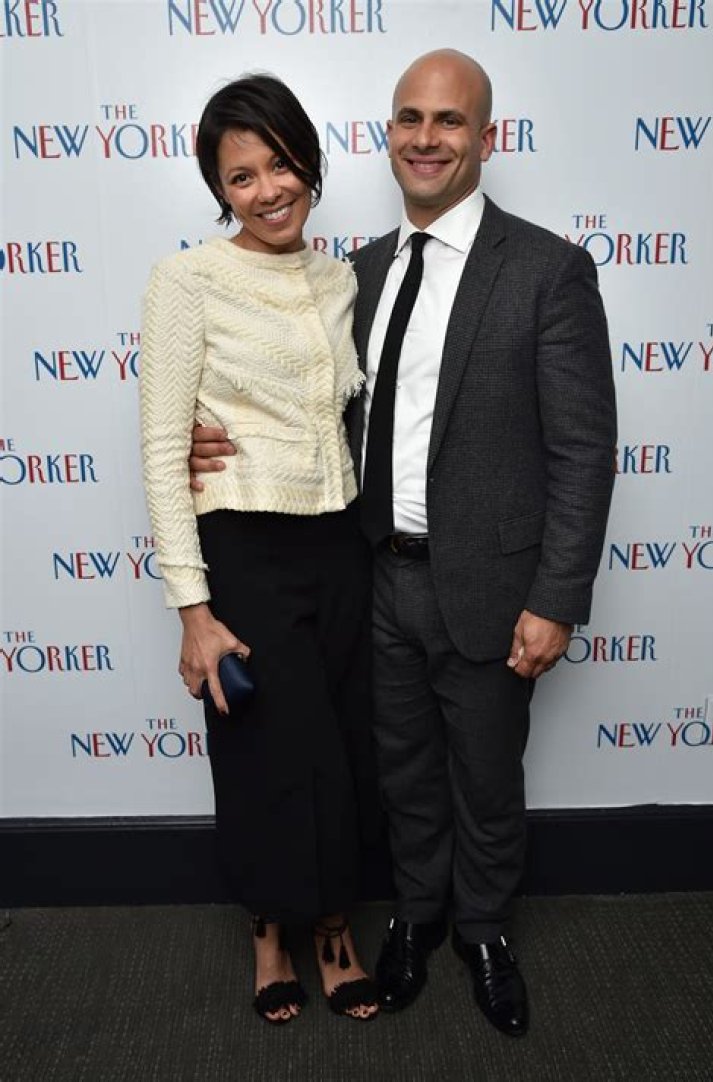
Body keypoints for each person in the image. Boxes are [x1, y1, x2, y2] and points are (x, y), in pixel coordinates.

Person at [189, 50, 617, 1038]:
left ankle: (485, 932)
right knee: (404, 775)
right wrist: (204, 434)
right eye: (410, 119)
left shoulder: (547, 270)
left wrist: (556, 599)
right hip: (369, 578)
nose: (427, 138)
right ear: (389, 134)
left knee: (486, 776)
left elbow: (583, 451)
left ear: (486, 138)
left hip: (490, 587)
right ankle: (418, 917)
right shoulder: (360, 271)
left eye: (449, 121)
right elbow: (309, 407)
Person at [139, 74, 379, 1025]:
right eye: (242, 177)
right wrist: (193, 611)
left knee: (341, 747)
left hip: (340, 543)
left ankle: (333, 925)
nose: (268, 190)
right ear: (220, 189)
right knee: (262, 753)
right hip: (242, 545)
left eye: (281, 165)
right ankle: (271, 932)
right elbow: (164, 449)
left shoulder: (340, 279)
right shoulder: (187, 281)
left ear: (308, 164)